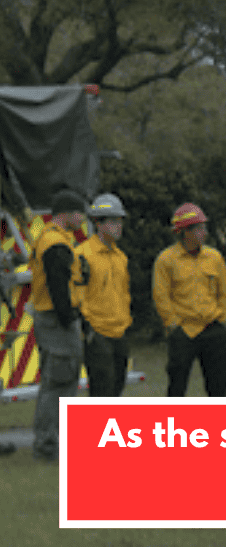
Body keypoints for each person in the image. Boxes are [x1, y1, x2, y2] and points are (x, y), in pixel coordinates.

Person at [30, 189, 87, 461]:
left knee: (54, 382)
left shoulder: (53, 239)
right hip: (57, 321)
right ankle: (48, 446)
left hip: (50, 320)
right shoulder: (56, 243)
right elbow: (58, 288)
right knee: (60, 383)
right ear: (66, 214)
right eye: (79, 213)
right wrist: (69, 319)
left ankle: (49, 442)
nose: (82, 218)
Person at [152, 203, 226, 395]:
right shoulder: (166, 260)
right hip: (183, 332)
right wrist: (172, 325)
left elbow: (225, 292)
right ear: (184, 232)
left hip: (213, 328)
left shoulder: (214, 257)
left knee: (218, 387)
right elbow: (161, 296)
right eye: (199, 228)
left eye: (204, 227)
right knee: (177, 388)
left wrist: (223, 319)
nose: (204, 232)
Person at [75, 193, 132, 397]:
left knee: (117, 388)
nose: (119, 226)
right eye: (114, 221)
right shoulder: (83, 254)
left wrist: (125, 322)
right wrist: (88, 328)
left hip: (120, 332)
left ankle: (110, 429)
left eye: (120, 221)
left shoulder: (121, 257)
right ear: (98, 223)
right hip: (97, 334)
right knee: (101, 391)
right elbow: (78, 295)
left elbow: (124, 294)